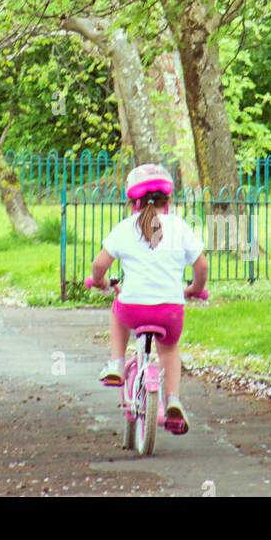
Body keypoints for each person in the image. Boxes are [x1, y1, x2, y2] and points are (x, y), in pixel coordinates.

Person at [87, 162, 208, 435]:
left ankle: (117, 363)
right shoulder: (179, 227)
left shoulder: (125, 228)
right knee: (169, 349)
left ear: (134, 202)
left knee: (117, 311)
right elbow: (201, 266)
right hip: (170, 310)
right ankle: (173, 400)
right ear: (168, 202)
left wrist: (99, 282)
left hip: (134, 308)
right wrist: (195, 289)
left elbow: (98, 266)